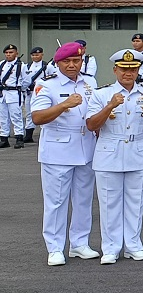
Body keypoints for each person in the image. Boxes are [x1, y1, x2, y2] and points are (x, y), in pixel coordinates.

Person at [85, 49, 143, 263]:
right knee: (109, 203)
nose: (128, 73)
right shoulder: (101, 94)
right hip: (109, 151)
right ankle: (110, 248)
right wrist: (110, 105)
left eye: (133, 69)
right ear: (115, 70)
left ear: (138, 71)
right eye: (124, 69)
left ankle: (133, 245)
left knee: (136, 202)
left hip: (138, 150)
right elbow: (91, 124)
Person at [31, 42, 99, 266]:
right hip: (58, 151)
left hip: (86, 148)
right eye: (66, 61)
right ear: (57, 63)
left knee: (83, 200)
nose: (72, 65)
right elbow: (37, 117)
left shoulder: (89, 82)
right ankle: (55, 248)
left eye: (76, 61)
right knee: (56, 202)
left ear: (82, 61)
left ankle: (79, 243)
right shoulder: (46, 84)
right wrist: (63, 105)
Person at [0, 43, 28, 149]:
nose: (8, 54)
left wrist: (20, 89)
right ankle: (4, 138)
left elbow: (26, 81)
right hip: (3, 94)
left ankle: (19, 138)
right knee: (3, 117)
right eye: (6, 53)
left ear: (16, 53)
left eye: (11, 52)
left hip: (14, 93)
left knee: (16, 116)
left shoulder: (21, 66)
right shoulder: (2, 64)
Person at [23, 46, 49, 143]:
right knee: (29, 113)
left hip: (42, 93)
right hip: (30, 92)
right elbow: (24, 79)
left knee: (43, 112)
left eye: (37, 55)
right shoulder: (27, 66)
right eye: (33, 55)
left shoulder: (47, 66)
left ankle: (43, 133)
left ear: (42, 54)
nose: (35, 57)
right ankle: (28, 135)